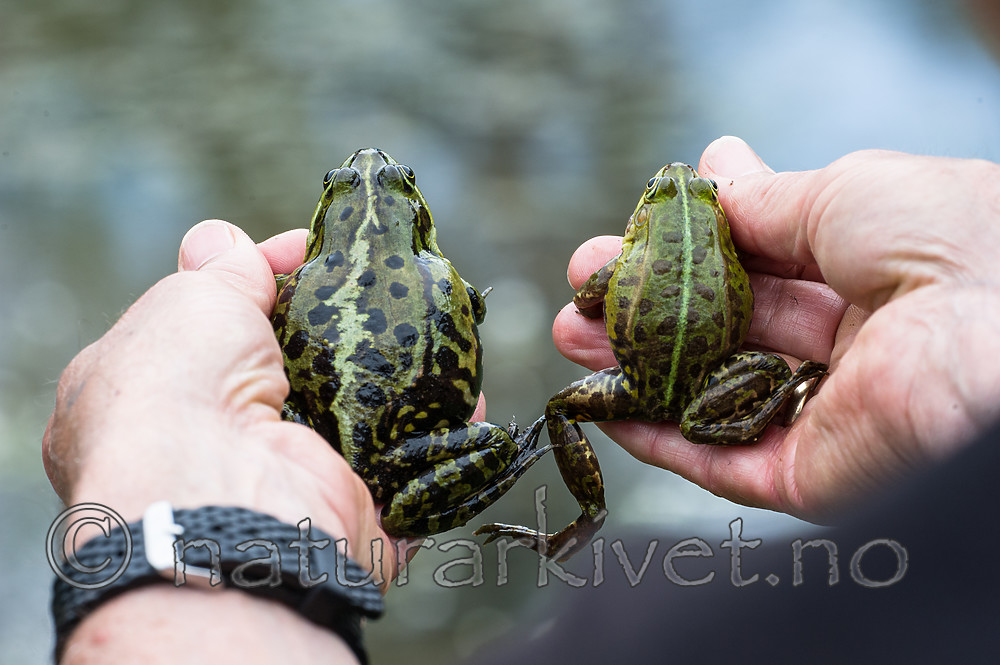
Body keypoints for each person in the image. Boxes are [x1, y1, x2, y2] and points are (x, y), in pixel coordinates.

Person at [43, 136, 1000, 663]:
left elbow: (590, 295)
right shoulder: (438, 272)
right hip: (439, 457)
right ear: (419, 216)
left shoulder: (299, 282)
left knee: (555, 411)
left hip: (320, 453)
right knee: (521, 430)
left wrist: (167, 498)